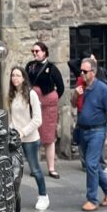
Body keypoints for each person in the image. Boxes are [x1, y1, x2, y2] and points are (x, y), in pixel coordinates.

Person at [73, 58, 107, 211]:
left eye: (85, 71)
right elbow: (73, 104)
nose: (82, 74)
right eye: (81, 71)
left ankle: (92, 199)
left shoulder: (103, 89)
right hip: (83, 130)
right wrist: (75, 95)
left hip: (97, 130)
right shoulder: (81, 87)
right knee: (94, 165)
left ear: (93, 72)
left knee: (90, 164)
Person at [7, 66, 49, 211]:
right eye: (13, 76)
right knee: (13, 170)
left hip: (30, 138)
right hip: (15, 138)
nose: (15, 78)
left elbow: (38, 120)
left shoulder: (32, 94)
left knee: (35, 169)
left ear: (24, 78)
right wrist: (12, 130)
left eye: (18, 75)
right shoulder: (12, 94)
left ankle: (43, 196)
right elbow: (12, 117)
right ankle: (11, 199)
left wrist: (22, 132)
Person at [25, 41, 65, 178]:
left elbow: (60, 87)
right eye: (33, 51)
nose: (35, 53)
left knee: (48, 138)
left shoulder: (52, 68)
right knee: (34, 136)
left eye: (37, 51)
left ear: (44, 52)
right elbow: (26, 83)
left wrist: (51, 99)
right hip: (33, 104)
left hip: (48, 107)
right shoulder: (30, 66)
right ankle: (35, 168)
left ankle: (51, 168)